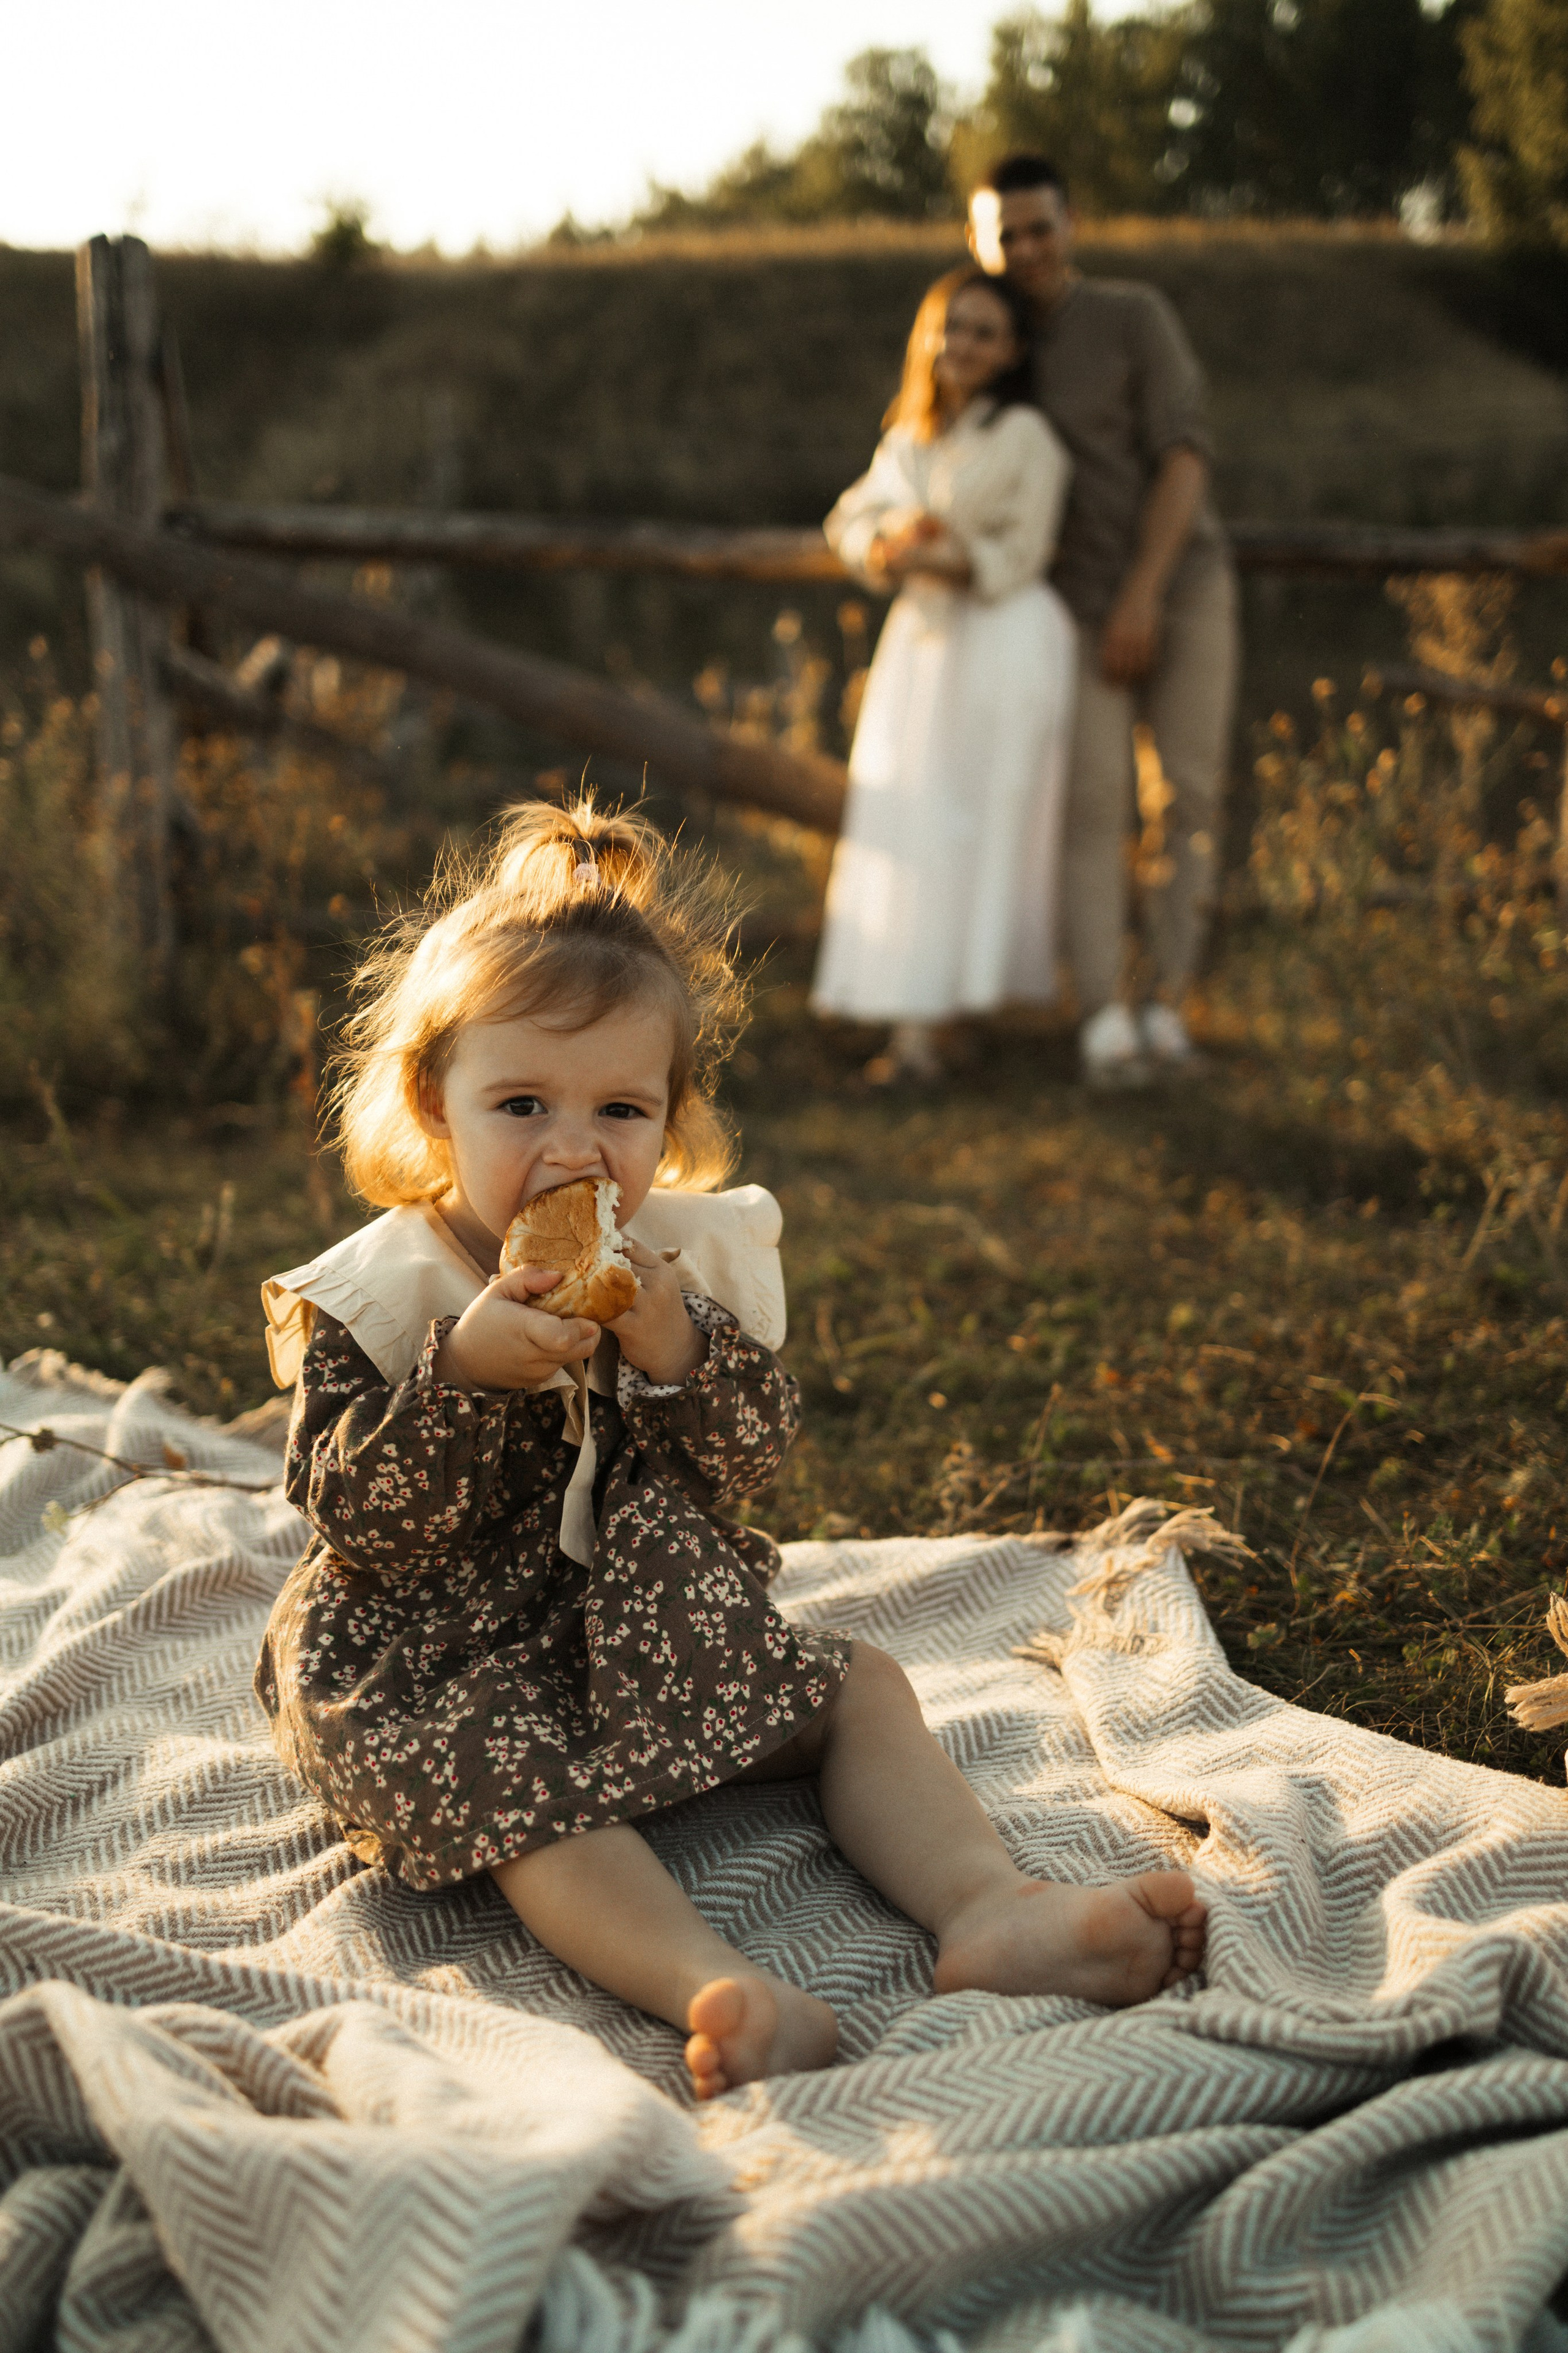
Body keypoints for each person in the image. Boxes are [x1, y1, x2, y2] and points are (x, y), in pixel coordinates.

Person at [255, 798, 1207, 2101]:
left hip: (641, 1619)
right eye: (522, 1102)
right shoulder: (382, 1295)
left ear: (670, 1116)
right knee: (519, 1783)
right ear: (435, 1099)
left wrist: (677, 1356)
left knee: (857, 1682)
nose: (574, 1148)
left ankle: (990, 1907)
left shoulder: (677, 1270)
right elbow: (348, 1512)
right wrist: (461, 1379)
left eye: (621, 1110)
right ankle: (714, 1982)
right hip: (441, 1650)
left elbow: (752, 1457)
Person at [968, 153, 1240, 1090]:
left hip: (1183, 583)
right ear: (982, 243)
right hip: (1071, 608)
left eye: (1041, 227)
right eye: (1007, 235)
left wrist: (1144, 596)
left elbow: (1186, 458)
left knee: (1190, 795)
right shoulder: (994, 342)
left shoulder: (1133, 316)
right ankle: (1102, 1021)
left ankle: (1166, 1004)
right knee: (1091, 807)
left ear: (1071, 224)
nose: (1027, 247)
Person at [811, 266, 1076, 1086]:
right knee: (915, 819)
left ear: (1010, 352)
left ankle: (955, 1011)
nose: (963, 344)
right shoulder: (909, 438)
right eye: (953, 326)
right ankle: (921, 1025)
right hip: (924, 646)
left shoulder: (1029, 437)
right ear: (930, 334)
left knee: (978, 819)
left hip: (1003, 640)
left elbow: (1025, 550)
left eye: (984, 332)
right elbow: (849, 518)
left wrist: (948, 553)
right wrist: (887, 538)